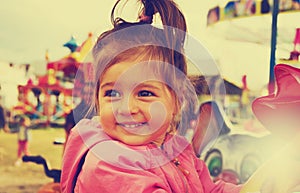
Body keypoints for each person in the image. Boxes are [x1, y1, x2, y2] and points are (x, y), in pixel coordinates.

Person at [61, 0, 242, 192]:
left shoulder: (177, 151)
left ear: (176, 101)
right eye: (112, 93)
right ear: (97, 99)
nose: (126, 108)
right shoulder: (107, 162)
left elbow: (210, 190)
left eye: (145, 93)